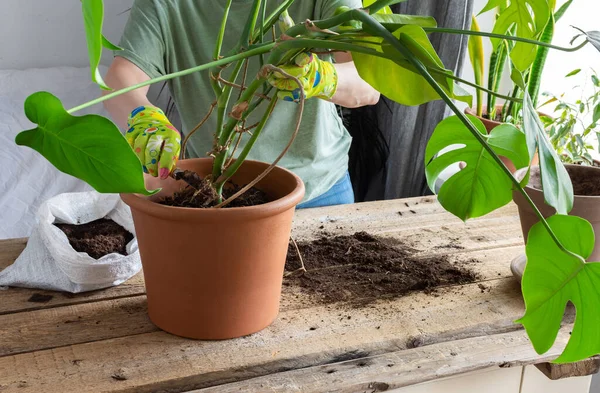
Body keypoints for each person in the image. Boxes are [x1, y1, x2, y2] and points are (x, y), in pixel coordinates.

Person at [103, 0, 379, 208]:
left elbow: (369, 84)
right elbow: (121, 77)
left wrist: (321, 77)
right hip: (217, 193)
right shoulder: (165, 4)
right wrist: (144, 118)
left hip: (319, 189)